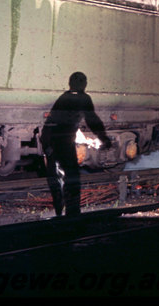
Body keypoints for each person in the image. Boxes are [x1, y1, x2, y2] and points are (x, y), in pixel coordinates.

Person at [41, 72, 112, 217]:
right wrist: (104, 137)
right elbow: (92, 120)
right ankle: (72, 215)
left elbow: (50, 123)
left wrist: (47, 146)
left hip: (51, 140)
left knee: (56, 179)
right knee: (72, 178)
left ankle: (60, 212)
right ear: (84, 84)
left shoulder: (64, 97)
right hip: (63, 141)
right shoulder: (83, 98)